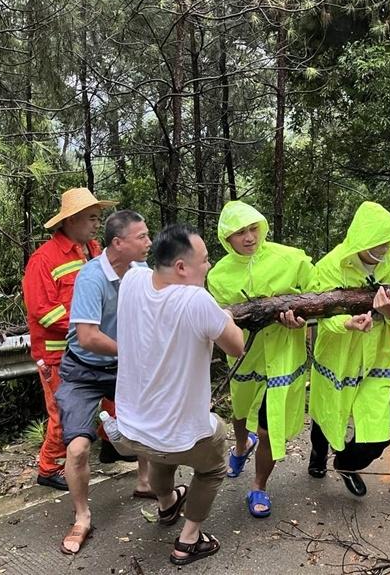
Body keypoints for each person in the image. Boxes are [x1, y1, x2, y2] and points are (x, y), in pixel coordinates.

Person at [113, 224, 245, 566]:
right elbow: (236, 345)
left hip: (131, 429)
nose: (209, 266)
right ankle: (189, 540)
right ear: (182, 268)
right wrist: (226, 316)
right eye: (204, 260)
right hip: (178, 437)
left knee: (161, 450)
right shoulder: (196, 300)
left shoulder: (133, 279)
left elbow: (139, 271)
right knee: (213, 465)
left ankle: (167, 503)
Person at [55, 210, 153, 555]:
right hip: (82, 370)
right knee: (78, 447)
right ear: (118, 243)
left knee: (145, 425)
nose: (149, 243)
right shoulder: (91, 276)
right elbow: (87, 337)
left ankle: (145, 482)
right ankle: (82, 517)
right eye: (141, 237)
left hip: (123, 366)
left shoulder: (142, 274)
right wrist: (134, 351)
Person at [207, 201, 313, 518]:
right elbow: (219, 319)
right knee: (240, 412)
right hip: (245, 358)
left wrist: (301, 318)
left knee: (269, 427)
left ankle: (259, 485)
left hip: (282, 356)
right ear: (227, 238)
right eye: (240, 232)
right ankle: (240, 445)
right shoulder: (218, 275)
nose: (249, 237)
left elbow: (319, 297)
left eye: (253, 228)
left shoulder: (291, 259)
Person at [22, 187, 130, 492]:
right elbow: (43, 311)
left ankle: (113, 445)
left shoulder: (95, 250)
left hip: (97, 348)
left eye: (98, 218)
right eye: (91, 218)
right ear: (70, 221)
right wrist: (86, 328)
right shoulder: (44, 260)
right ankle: (50, 467)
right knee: (63, 413)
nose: (97, 224)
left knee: (115, 399)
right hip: (59, 354)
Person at [307, 201, 390, 497]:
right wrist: (347, 322)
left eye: (387, 242)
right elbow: (319, 314)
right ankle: (318, 455)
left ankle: (346, 463)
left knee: (377, 436)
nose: (382, 249)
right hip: (339, 354)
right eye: (376, 242)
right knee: (325, 411)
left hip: (378, 358)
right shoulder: (331, 265)